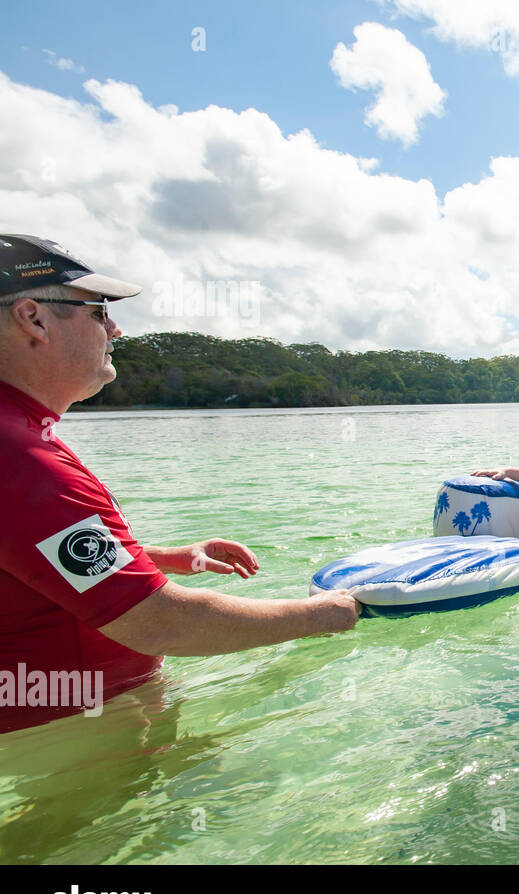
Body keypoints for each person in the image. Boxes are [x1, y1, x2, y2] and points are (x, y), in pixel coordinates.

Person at [0, 234, 359, 734]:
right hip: (66, 736)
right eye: (98, 311)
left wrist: (168, 558)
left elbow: (38, 560)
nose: (116, 328)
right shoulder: (17, 456)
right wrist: (324, 615)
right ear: (35, 319)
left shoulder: (19, 436)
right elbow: (157, 620)